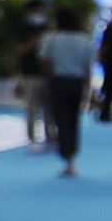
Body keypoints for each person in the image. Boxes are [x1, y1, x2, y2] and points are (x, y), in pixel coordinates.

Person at [35, 9, 95, 177]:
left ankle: (66, 155)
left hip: (58, 81)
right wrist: (88, 88)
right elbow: (88, 66)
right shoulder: (84, 39)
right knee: (74, 118)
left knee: (61, 120)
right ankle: (71, 155)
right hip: (77, 82)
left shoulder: (51, 38)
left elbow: (44, 61)